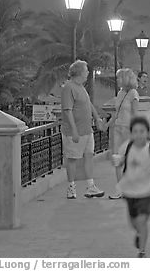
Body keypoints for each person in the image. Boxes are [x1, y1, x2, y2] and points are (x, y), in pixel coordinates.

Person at [112, 116, 150, 258]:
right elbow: (118, 163)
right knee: (133, 222)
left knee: (142, 221)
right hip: (129, 190)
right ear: (131, 133)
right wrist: (120, 182)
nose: (138, 134)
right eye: (135, 131)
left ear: (147, 133)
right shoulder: (126, 146)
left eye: (142, 131)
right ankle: (139, 233)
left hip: (146, 191)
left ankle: (142, 252)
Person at [61, 60, 106, 199]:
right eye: (86, 70)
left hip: (87, 130)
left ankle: (90, 186)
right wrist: (74, 130)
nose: (88, 72)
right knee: (72, 159)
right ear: (79, 72)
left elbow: (88, 104)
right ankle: (71, 188)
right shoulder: (69, 87)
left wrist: (97, 118)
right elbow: (67, 111)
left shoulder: (81, 87)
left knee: (88, 156)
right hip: (75, 131)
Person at [108, 68, 140, 200]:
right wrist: (107, 124)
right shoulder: (120, 93)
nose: (117, 80)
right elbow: (116, 112)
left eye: (119, 78)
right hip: (118, 129)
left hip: (128, 129)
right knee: (117, 159)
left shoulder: (133, 94)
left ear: (126, 79)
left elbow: (135, 114)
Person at [137, 71, 150, 136]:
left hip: (147, 114)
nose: (145, 79)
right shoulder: (134, 90)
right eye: (144, 77)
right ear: (139, 78)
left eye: (147, 77)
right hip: (136, 114)